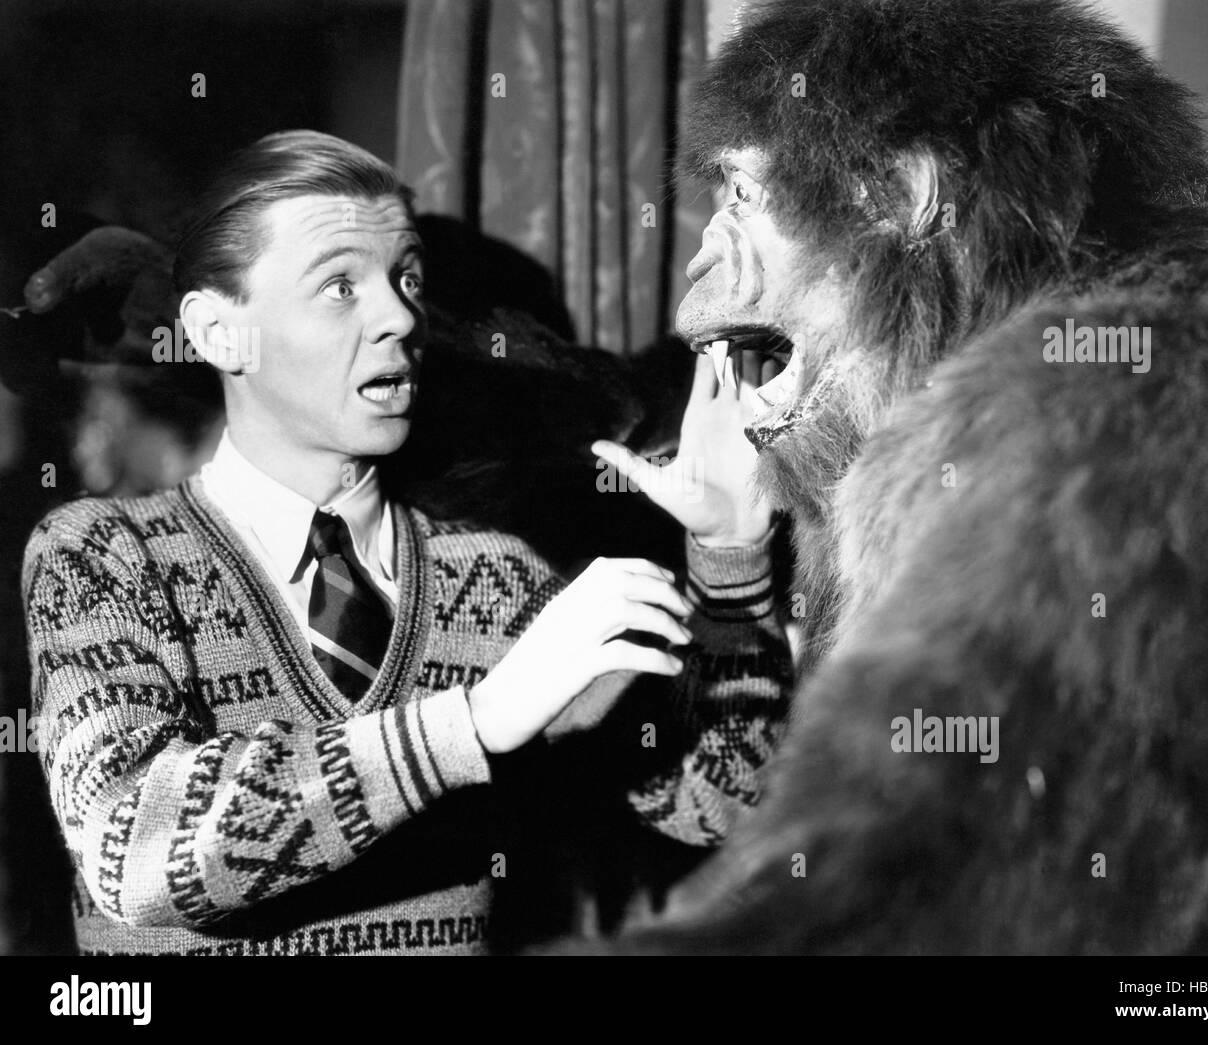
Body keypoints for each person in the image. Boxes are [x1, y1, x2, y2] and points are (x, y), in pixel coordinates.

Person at [20, 130, 791, 955]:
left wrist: (731, 556)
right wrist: (474, 722)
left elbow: (727, 797)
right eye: (339, 284)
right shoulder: (98, 557)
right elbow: (131, 846)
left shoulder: (492, 582)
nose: (399, 315)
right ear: (216, 331)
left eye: (408, 278)